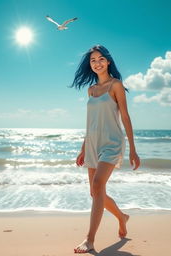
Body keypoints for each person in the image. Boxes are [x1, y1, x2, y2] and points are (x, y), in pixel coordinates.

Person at [71, 45, 140, 253]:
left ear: (108, 61)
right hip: (92, 142)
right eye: (93, 60)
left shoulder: (115, 85)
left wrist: (133, 150)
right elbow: (90, 122)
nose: (97, 63)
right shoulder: (90, 90)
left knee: (98, 184)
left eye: (101, 59)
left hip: (112, 141)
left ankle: (89, 239)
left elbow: (125, 117)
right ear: (90, 65)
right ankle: (122, 217)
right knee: (95, 192)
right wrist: (83, 148)